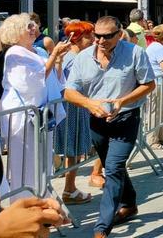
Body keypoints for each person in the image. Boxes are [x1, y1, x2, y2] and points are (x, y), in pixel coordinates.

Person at [64, 16, 156, 238]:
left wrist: (122, 101)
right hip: (96, 121)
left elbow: (149, 84)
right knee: (113, 166)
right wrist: (89, 103)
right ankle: (129, 203)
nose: (101, 40)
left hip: (126, 118)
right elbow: (69, 92)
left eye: (107, 36)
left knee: (113, 169)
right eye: (97, 36)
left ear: (119, 34)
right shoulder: (83, 57)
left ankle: (102, 227)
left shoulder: (135, 53)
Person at [0, 13, 71, 200]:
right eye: (28, 27)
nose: (33, 29)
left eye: (33, 25)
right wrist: (53, 55)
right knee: (25, 164)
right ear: (16, 32)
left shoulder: (38, 51)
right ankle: (25, 203)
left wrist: (58, 59)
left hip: (41, 115)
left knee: (42, 162)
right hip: (23, 117)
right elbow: (30, 83)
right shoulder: (14, 53)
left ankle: (42, 199)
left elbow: (53, 79)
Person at [53, 20, 95, 205]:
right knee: (73, 150)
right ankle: (69, 189)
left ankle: (70, 188)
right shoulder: (71, 57)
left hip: (77, 106)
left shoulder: (79, 56)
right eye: (88, 36)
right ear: (76, 38)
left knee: (74, 151)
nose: (93, 39)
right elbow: (64, 84)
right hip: (71, 108)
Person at [145, 24, 163, 149]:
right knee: (155, 112)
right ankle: (152, 140)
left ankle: (162, 138)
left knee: (160, 112)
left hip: (158, 83)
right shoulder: (159, 48)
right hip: (157, 83)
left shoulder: (156, 46)